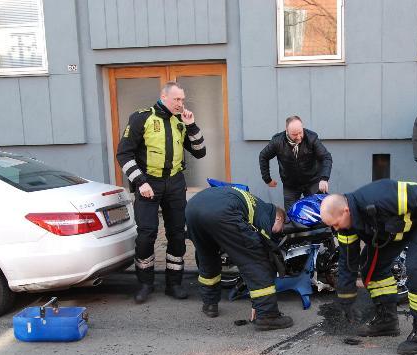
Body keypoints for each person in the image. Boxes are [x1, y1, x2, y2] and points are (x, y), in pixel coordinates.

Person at [320, 180, 417, 355]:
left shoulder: (380, 196)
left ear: (345, 211)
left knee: (416, 268)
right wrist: (346, 301)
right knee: (371, 268)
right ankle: (387, 320)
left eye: (335, 224)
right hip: (401, 228)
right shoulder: (346, 226)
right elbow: (348, 262)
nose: (336, 229)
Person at [116, 81, 206, 304]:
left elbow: (200, 152)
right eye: (177, 99)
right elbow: (124, 154)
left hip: (175, 183)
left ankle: (173, 283)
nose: (181, 103)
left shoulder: (180, 121)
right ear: (163, 97)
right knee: (147, 235)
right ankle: (145, 283)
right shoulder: (142, 118)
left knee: (177, 234)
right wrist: (140, 182)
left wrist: (192, 126)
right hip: (148, 183)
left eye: (183, 99)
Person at [185, 186, 294, 331]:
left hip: (192, 208)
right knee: (256, 260)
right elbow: (264, 249)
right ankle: (268, 315)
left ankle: (210, 304)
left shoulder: (256, 202)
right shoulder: (267, 213)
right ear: (279, 217)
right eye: (281, 228)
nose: (279, 232)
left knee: (207, 257)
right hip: (221, 212)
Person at [259, 116, 333, 212]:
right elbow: (263, 156)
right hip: (291, 185)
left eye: (300, 132)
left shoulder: (312, 138)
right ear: (287, 131)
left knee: (321, 211)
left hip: (312, 181)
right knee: (291, 215)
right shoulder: (277, 141)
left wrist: (324, 178)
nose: (298, 137)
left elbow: (326, 157)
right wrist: (267, 179)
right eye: (294, 134)